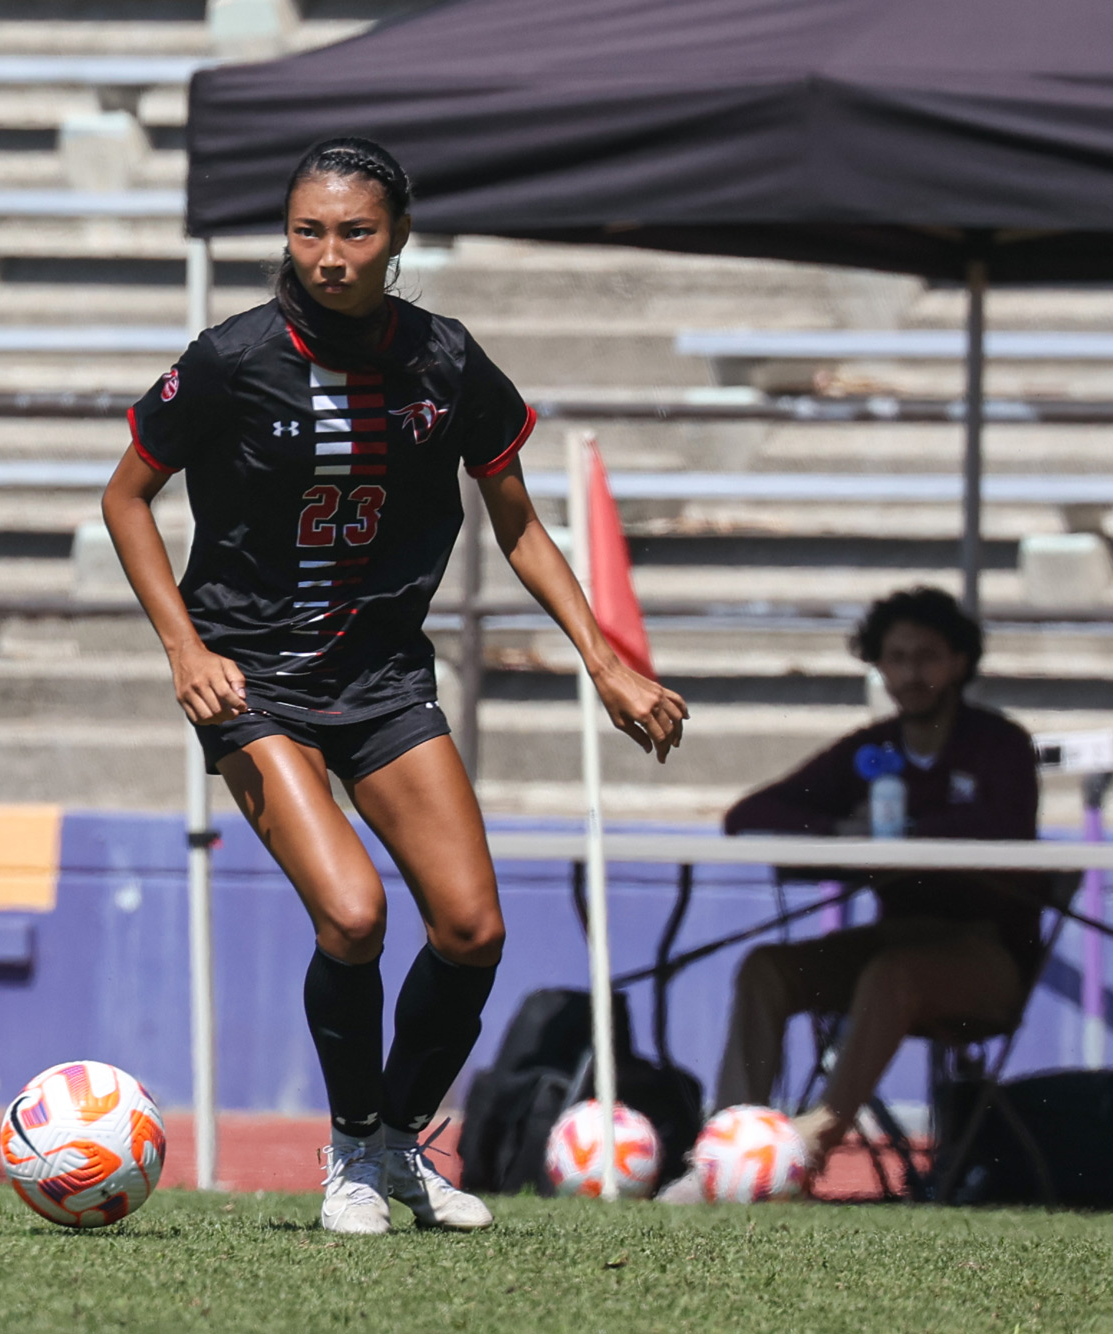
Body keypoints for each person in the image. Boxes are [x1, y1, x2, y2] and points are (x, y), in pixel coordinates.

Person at [101, 138, 687, 1234]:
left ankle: (395, 1145)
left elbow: (514, 520)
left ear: (399, 238)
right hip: (254, 682)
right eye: (307, 231)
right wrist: (184, 648)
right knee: (355, 912)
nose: (327, 255)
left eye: (354, 232)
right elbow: (124, 498)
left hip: (380, 678)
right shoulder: (231, 359)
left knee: (470, 929)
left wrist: (604, 660)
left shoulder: (445, 361)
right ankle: (349, 1154)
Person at [703, 586, 1043, 1177]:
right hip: (893, 938)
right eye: (897, 658)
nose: (911, 674)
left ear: (960, 661)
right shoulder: (870, 749)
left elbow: (1003, 827)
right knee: (766, 969)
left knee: (895, 974)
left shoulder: (1001, 744)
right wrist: (840, 826)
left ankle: (806, 1150)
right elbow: (749, 815)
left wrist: (910, 830)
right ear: (878, 665)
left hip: (986, 954)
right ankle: (730, 1154)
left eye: (927, 657)